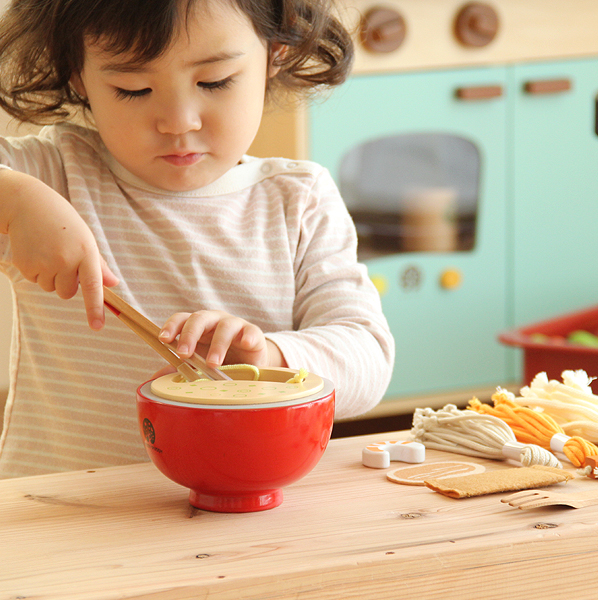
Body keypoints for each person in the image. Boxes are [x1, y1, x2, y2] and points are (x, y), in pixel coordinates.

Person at [0, 0, 395, 478]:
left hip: (245, 518)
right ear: (78, 75)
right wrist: (14, 199)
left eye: (214, 81)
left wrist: (269, 357)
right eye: (133, 88)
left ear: (276, 52)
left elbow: (367, 356)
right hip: (64, 513)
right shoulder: (50, 176)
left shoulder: (298, 201)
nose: (178, 121)